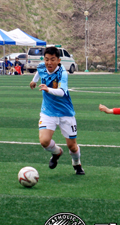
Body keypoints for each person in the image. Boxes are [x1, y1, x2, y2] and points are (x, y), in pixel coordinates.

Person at [29, 47, 85, 175]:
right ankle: (57, 152)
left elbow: (61, 92)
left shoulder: (62, 73)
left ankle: (77, 163)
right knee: (44, 141)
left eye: (53, 60)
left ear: (59, 60)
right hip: (48, 111)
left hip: (66, 112)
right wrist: (34, 81)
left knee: (72, 146)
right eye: (47, 59)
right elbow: (39, 71)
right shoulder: (42, 66)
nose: (49, 63)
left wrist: (48, 89)